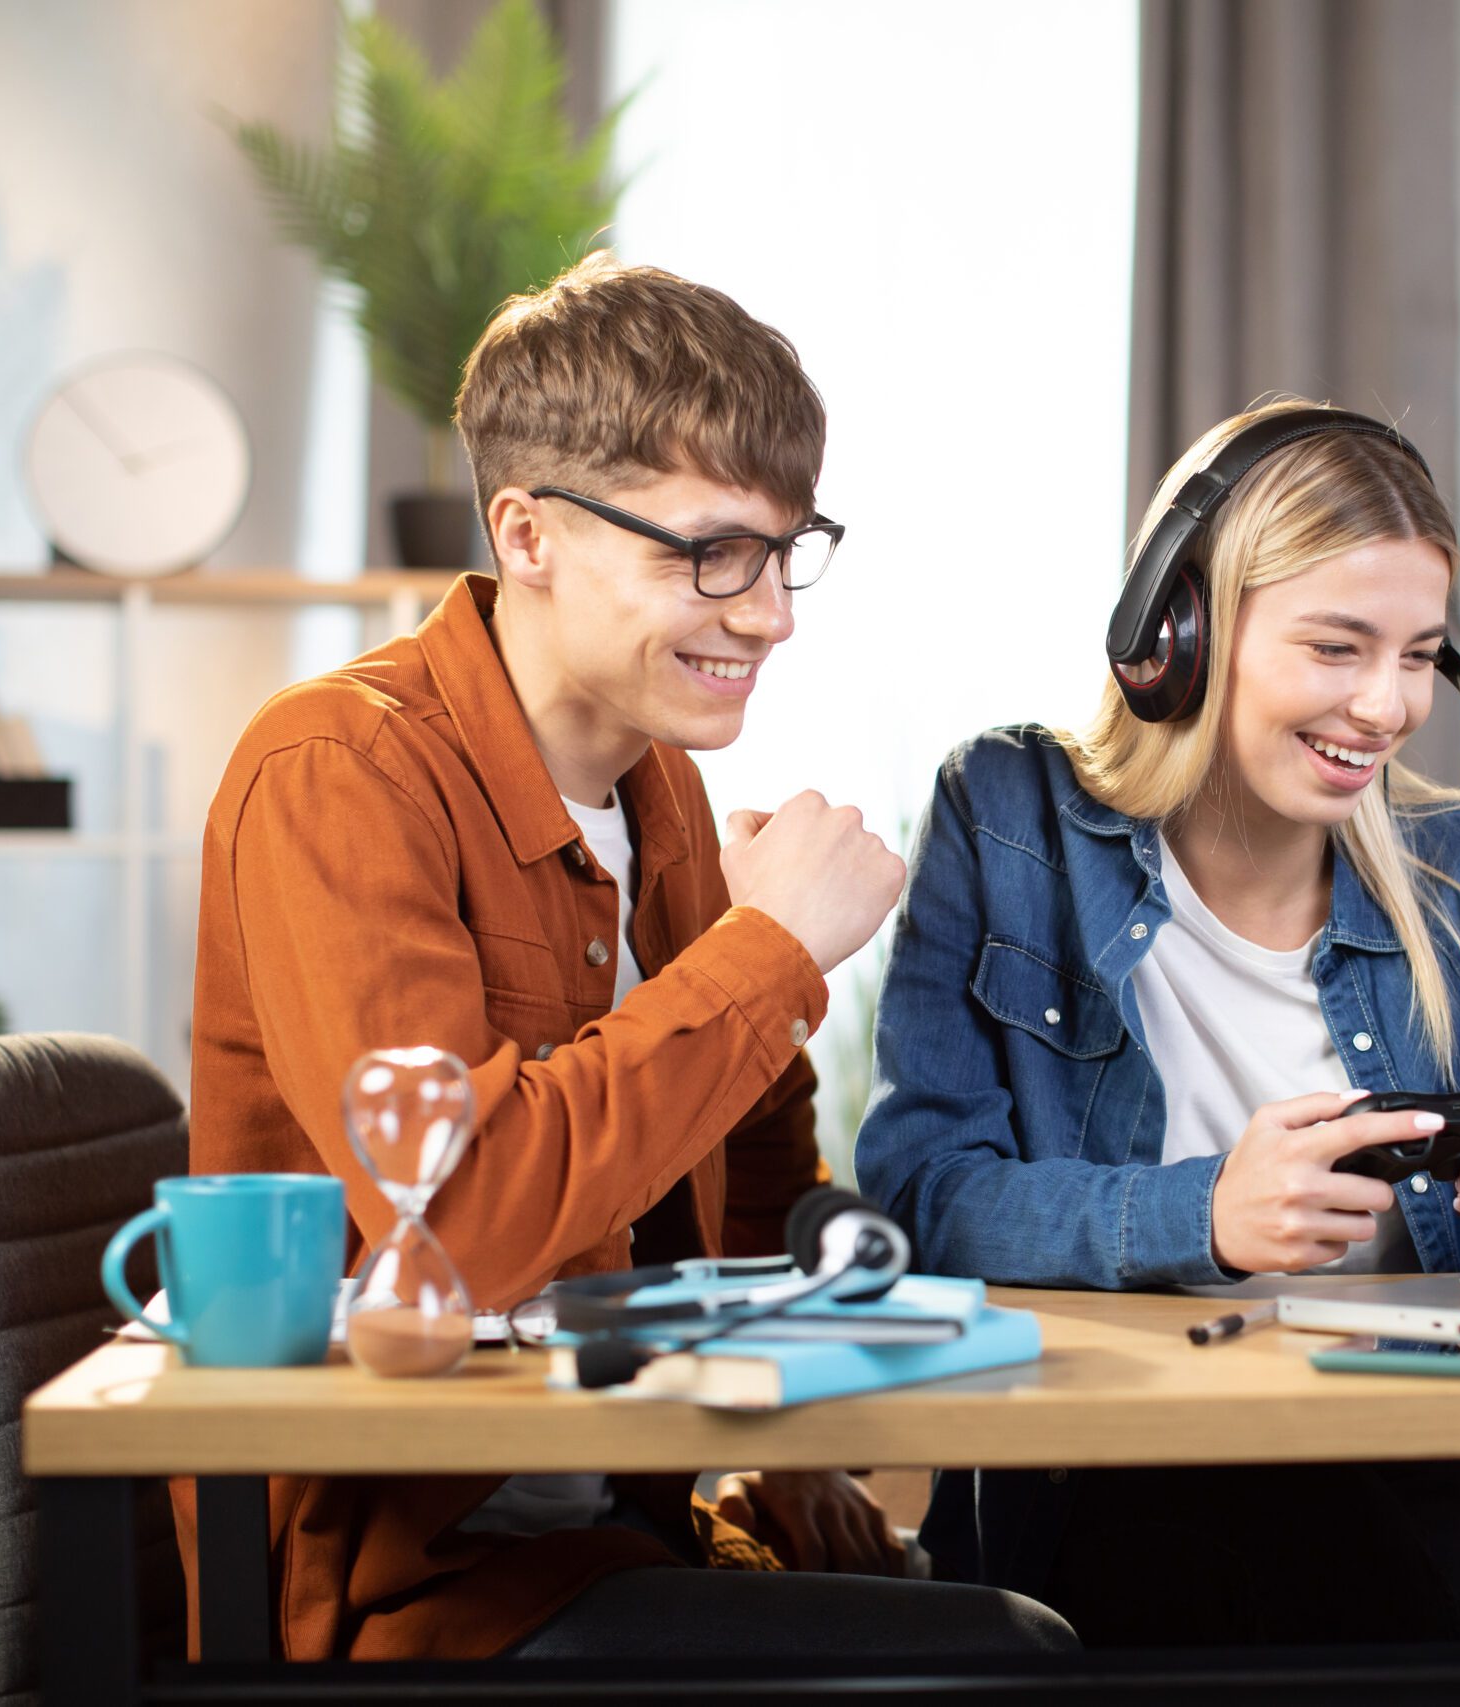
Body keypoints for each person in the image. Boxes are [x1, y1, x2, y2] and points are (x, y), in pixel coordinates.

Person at [180, 253, 1071, 1663]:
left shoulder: (660, 791)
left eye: (786, 551)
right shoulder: (337, 768)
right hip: (419, 1584)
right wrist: (767, 948)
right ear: (527, 534)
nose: (769, 609)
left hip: (626, 1513)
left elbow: (758, 1176)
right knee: (1004, 1649)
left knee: (1037, 1571)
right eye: (708, 552)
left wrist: (793, 1446)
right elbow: (455, 1215)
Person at [854, 399, 1460, 1645]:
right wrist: (1206, 1218)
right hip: (1121, 1470)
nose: (1387, 706)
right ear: (1176, 635)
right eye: (1337, 649)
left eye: (1417, 656)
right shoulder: (1009, 820)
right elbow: (922, 1196)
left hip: (1438, 1472)